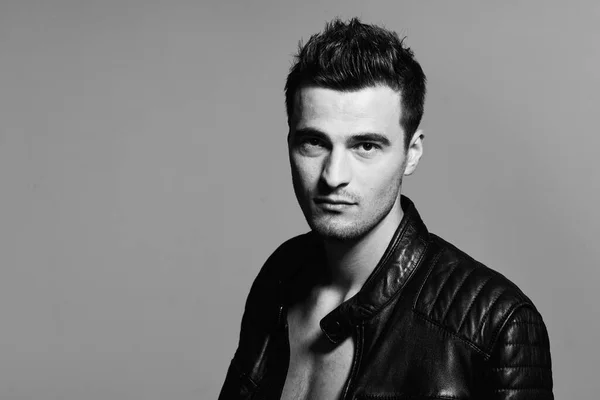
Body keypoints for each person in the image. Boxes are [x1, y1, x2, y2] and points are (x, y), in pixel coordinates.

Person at [219, 18, 553, 400]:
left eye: (366, 146)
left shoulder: (496, 324)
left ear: (412, 154)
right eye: (314, 142)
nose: (333, 176)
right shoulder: (280, 275)